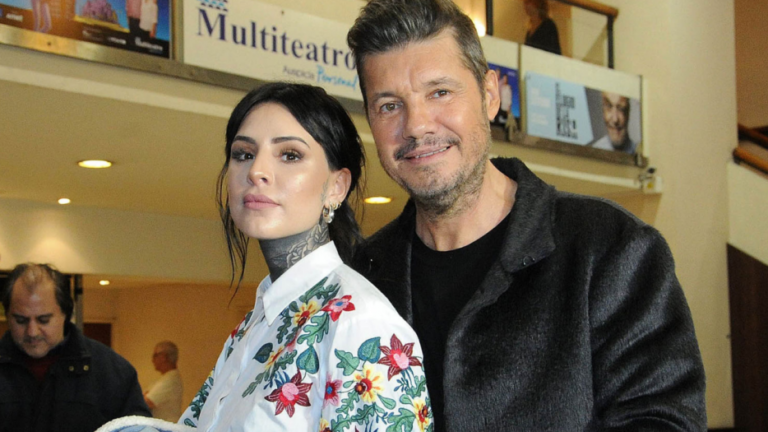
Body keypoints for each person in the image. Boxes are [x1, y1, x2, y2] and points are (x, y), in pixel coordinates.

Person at [347, 0, 706, 431]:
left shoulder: (609, 248)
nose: (416, 125)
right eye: (389, 105)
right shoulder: (360, 278)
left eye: (439, 92)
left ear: (490, 95)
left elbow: (663, 420)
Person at [171, 82, 430, 431]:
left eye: (290, 155)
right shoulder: (256, 323)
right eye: (244, 154)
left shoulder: (361, 324)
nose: (256, 171)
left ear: (336, 187)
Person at [0, 263, 151, 432]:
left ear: (66, 314)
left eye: (44, 320)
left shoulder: (112, 372)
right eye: (20, 320)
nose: (32, 332)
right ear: (8, 316)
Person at [144, 341, 183, 422]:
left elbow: (147, 402)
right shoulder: (165, 378)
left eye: (155, 355)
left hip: (166, 426)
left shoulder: (170, 379)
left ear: (163, 357)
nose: (152, 360)